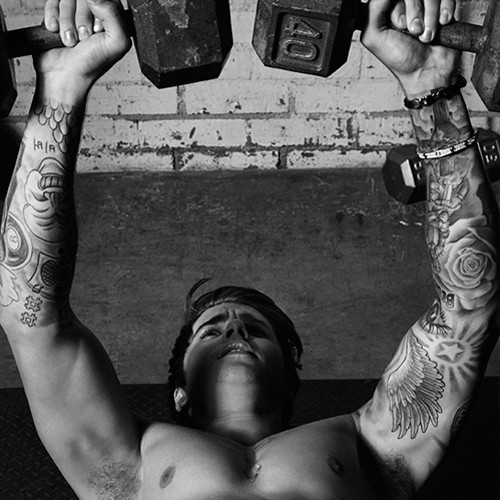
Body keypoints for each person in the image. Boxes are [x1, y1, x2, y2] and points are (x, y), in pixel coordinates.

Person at [0, 0, 498, 498]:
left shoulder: (366, 446)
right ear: (180, 393)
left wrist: (430, 87)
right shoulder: (130, 465)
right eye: (213, 330)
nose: (235, 329)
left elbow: (468, 313)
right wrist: (61, 87)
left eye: (254, 330)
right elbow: (32, 319)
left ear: (290, 383)